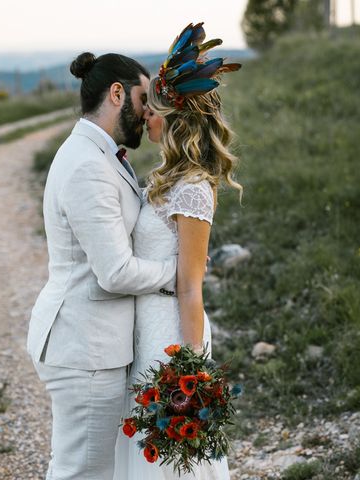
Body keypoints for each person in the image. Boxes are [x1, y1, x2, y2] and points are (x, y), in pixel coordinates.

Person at [26, 52, 179, 480]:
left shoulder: (101, 154)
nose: (148, 111)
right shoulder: (88, 166)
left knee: (88, 467)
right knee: (83, 472)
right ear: (117, 94)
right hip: (85, 346)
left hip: (92, 342)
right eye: (142, 97)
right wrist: (178, 271)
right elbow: (116, 273)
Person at [113, 22, 242, 479]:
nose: (145, 116)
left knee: (175, 460)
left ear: (173, 119)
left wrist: (191, 370)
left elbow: (190, 287)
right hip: (146, 328)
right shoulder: (164, 180)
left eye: (152, 110)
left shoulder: (192, 191)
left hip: (172, 335)